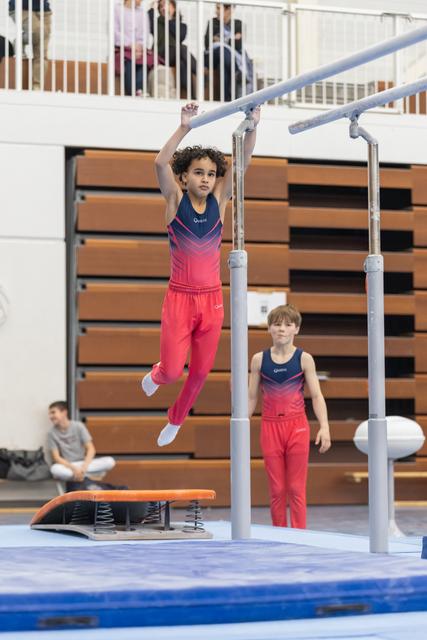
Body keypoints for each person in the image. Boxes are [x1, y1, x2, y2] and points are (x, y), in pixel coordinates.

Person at [142, 101, 260, 447]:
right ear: (184, 176)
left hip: (211, 300)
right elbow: (159, 162)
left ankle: (175, 419)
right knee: (172, 371)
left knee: (201, 372)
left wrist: (252, 125)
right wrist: (185, 127)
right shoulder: (173, 201)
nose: (206, 179)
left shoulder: (220, 200)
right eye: (198, 172)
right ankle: (156, 374)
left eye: (210, 173)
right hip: (180, 298)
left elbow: (243, 165)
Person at [248, 304, 331, 529]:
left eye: (287, 325)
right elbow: (251, 397)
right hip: (270, 427)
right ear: (269, 329)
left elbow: (316, 395)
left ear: (296, 329)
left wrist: (324, 427)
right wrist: (242, 424)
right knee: (276, 489)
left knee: (295, 488)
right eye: (276, 324)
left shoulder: (304, 359)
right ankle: (279, 534)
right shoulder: (258, 360)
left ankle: (299, 535)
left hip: (297, 427)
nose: (282, 329)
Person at [47, 401, 116, 482]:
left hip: (84, 464)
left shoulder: (78, 426)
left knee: (110, 461)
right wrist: (74, 468)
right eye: (50, 414)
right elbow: (56, 458)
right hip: (69, 466)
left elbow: (91, 449)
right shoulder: (51, 433)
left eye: (53, 412)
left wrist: (83, 468)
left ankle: (80, 475)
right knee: (54, 469)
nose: (50, 416)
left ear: (64, 412)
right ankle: (89, 476)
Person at [204, 3, 253, 102]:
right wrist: (231, 39)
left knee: (224, 65)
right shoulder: (213, 22)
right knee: (222, 50)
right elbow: (207, 43)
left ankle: (226, 99)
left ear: (229, 9)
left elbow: (238, 45)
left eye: (218, 8)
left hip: (228, 59)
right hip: (212, 56)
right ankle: (238, 73)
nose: (216, 11)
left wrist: (220, 39)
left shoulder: (238, 24)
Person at [148, 0, 197, 98]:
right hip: (161, 54)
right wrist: (152, 9)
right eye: (161, 6)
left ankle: (191, 97)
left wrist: (169, 20)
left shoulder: (182, 26)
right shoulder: (157, 22)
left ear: (173, 7)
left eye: (166, 5)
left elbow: (180, 36)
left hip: (175, 56)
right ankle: (198, 72)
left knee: (183, 65)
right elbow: (149, 24)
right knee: (182, 48)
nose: (163, 8)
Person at [9, 0, 52, 91]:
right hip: (21, 8)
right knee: (39, 31)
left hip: (44, 10)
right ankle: (20, 40)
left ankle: (37, 86)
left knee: (42, 52)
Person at [114, 0, 153, 96]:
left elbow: (145, 34)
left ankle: (140, 92)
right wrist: (131, 45)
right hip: (122, 49)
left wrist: (139, 47)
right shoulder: (116, 9)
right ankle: (131, 94)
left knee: (143, 63)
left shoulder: (143, 13)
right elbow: (115, 32)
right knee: (129, 62)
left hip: (140, 50)